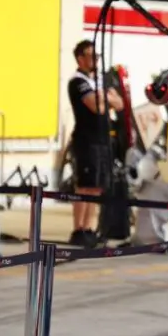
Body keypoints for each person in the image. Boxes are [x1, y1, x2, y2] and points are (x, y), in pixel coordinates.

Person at [67, 39, 124, 247]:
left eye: (97, 56)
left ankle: (89, 228)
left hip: (102, 140)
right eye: (92, 56)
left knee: (96, 187)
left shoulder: (100, 81)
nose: (96, 60)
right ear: (81, 59)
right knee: (84, 186)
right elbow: (95, 107)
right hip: (86, 140)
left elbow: (119, 104)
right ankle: (78, 228)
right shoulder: (78, 82)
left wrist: (104, 97)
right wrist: (105, 98)